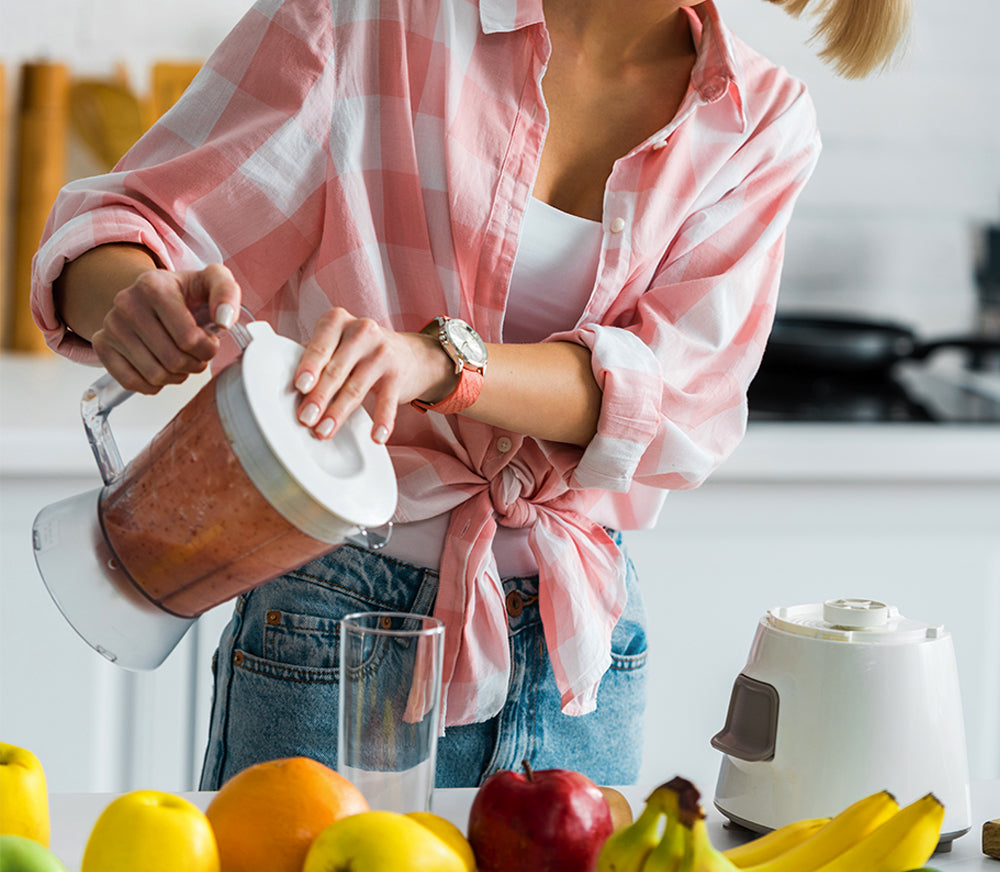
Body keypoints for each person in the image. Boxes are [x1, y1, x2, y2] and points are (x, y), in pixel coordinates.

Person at [32, 0, 911, 789]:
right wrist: (131, 300)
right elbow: (129, 223)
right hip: (339, 621)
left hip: (579, 648)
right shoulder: (369, 19)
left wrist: (444, 363)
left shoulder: (759, 121)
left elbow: (677, 400)